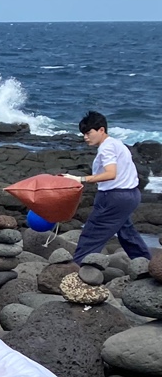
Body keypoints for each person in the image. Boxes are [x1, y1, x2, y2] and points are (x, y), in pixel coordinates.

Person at [68, 110, 150, 263]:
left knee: (91, 234)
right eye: (83, 134)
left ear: (101, 130)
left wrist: (80, 179)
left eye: (88, 133)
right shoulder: (117, 143)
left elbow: (111, 173)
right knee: (127, 232)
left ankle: (75, 270)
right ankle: (147, 265)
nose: (85, 137)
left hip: (113, 197)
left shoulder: (106, 148)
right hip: (131, 195)